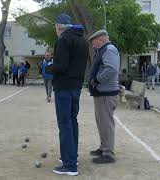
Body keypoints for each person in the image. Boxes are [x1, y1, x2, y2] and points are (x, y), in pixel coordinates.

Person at [46, 14, 89, 176]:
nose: (55, 31)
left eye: (55, 28)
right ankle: (72, 157)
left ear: (59, 27)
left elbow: (61, 66)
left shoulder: (64, 40)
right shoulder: (83, 41)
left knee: (64, 124)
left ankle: (69, 165)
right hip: (76, 87)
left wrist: (49, 67)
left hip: (64, 87)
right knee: (72, 122)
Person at [88, 30, 120, 164]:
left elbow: (112, 69)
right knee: (102, 123)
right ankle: (103, 147)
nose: (93, 46)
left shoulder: (109, 49)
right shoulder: (104, 50)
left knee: (106, 124)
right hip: (102, 94)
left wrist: (96, 80)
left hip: (106, 95)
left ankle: (108, 154)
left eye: (94, 43)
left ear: (100, 40)